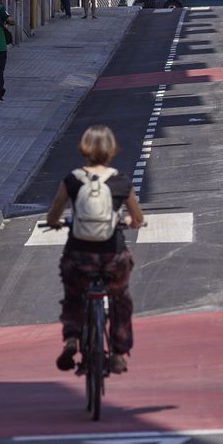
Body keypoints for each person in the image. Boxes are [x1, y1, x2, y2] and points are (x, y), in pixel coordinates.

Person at [45, 125, 144, 374]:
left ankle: (71, 339)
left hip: (79, 256)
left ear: (84, 148)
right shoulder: (120, 182)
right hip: (113, 257)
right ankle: (119, 352)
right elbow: (138, 217)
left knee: (73, 296)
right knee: (120, 299)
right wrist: (131, 222)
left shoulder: (72, 180)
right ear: (112, 150)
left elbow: (53, 214)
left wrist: (55, 223)